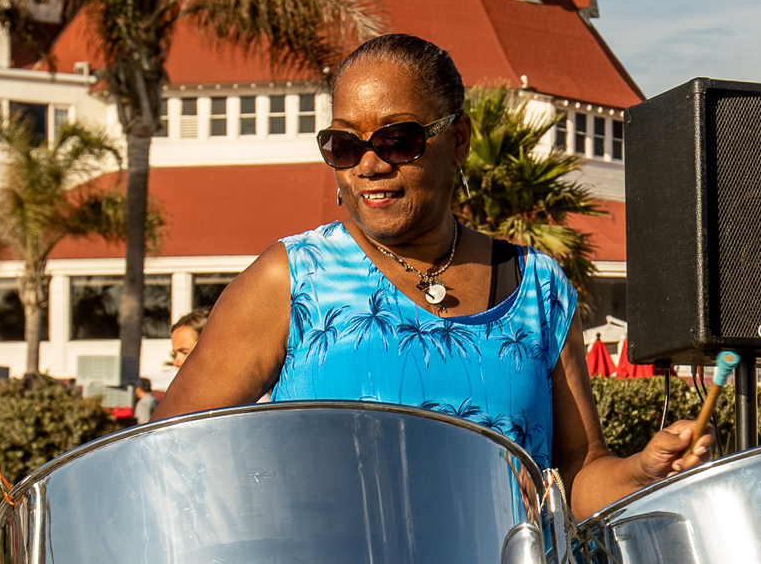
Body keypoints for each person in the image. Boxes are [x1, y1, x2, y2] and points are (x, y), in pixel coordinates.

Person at [153, 34, 711, 517]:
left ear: (458, 140)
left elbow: (579, 471)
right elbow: (165, 454)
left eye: (398, 140)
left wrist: (640, 471)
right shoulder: (292, 278)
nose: (369, 164)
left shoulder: (537, 287)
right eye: (345, 145)